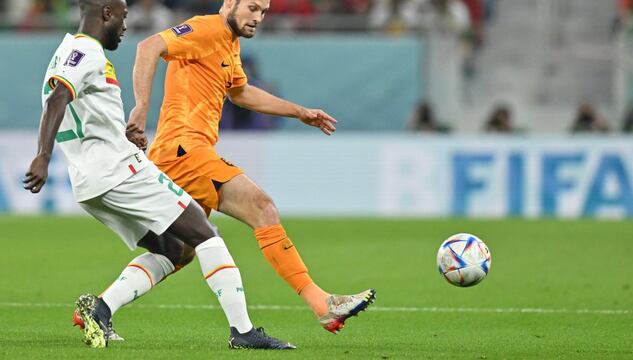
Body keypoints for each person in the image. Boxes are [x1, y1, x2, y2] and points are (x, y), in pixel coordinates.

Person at [23, 0, 293, 350]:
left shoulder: (65, 52)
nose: (124, 24)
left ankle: (101, 309)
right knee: (206, 234)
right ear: (106, 13)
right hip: (121, 172)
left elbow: (76, 107)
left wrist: (122, 132)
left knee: (177, 250)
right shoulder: (86, 52)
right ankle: (242, 332)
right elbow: (59, 98)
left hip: (90, 183)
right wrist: (42, 156)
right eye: (122, 16)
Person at [125, 0, 375, 334]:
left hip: (180, 153)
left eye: (264, 12)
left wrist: (299, 112)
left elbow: (240, 92)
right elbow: (149, 45)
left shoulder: (229, 42)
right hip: (184, 150)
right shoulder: (206, 28)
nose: (258, 18)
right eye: (252, 8)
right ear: (230, 3)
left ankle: (100, 307)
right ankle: (321, 303)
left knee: (180, 251)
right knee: (262, 206)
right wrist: (141, 107)